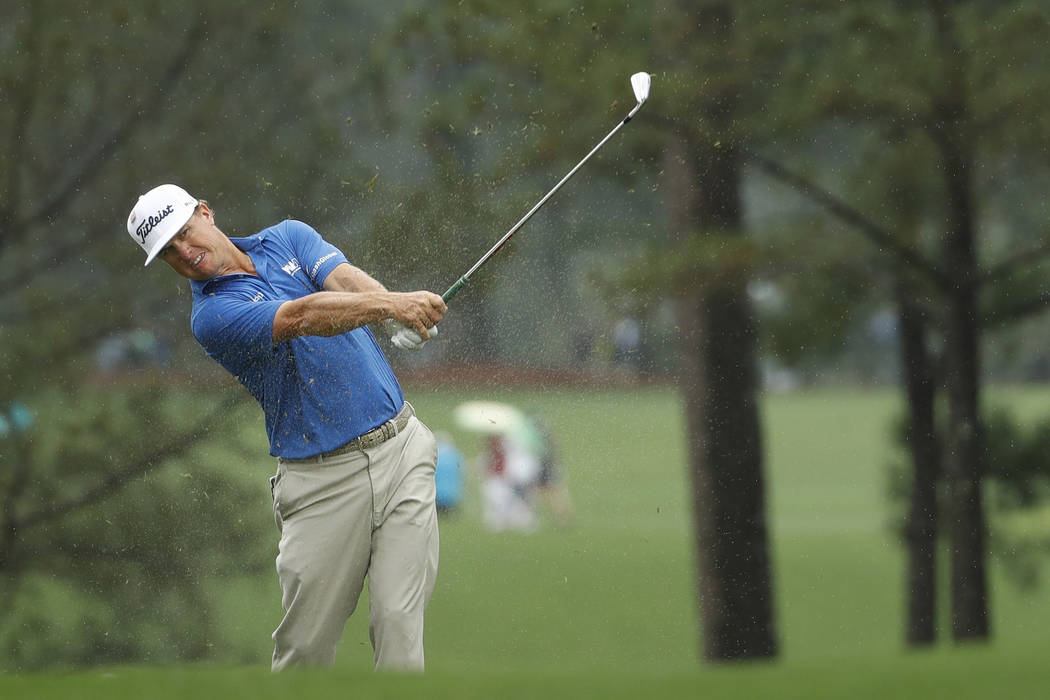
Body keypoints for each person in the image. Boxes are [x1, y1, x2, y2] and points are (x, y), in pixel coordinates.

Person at [125, 183, 447, 672]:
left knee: (400, 628)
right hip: (322, 483)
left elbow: (339, 280)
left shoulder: (288, 237)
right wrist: (390, 307)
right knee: (306, 650)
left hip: (403, 450)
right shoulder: (212, 317)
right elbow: (302, 315)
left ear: (206, 213)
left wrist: (390, 307)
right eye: (168, 252)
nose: (185, 253)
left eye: (185, 234)